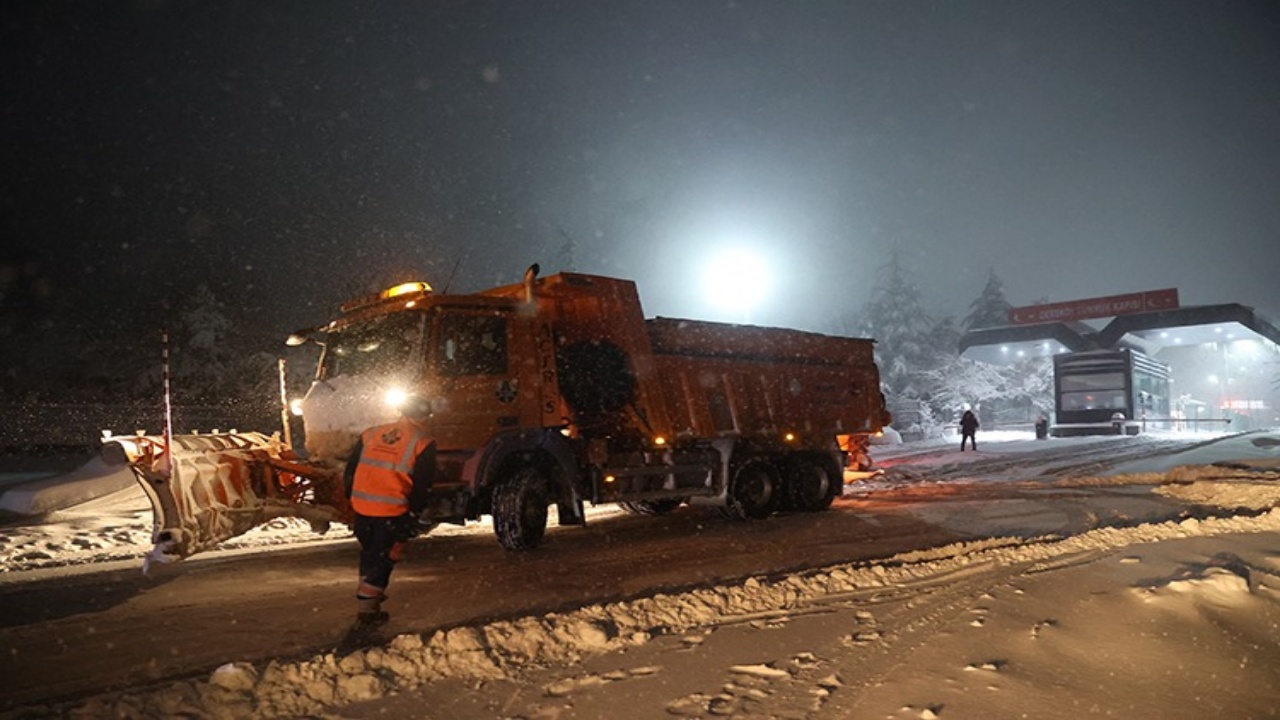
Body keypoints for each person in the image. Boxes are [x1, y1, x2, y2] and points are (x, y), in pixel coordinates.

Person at [343, 394, 437, 624]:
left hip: (363, 507)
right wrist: (415, 513)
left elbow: (350, 470)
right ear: (424, 416)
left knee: (370, 552)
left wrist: (351, 498)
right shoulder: (423, 442)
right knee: (386, 556)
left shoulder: (371, 433)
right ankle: (367, 606)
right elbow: (422, 484)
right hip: (391, 510)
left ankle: (369, 600)